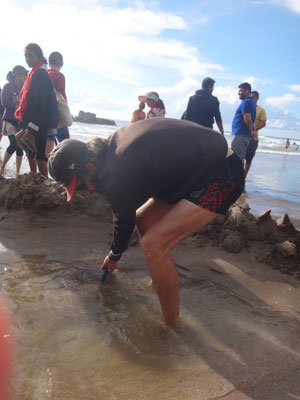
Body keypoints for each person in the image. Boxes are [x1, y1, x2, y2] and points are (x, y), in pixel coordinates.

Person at [48, 118, 245, 325]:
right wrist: (115, 253)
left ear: (89, 167)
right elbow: (131, 217)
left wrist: (114, 256)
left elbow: (123, 220)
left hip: (222, 175)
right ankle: (160, 281)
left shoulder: (115, 172)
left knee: (154, 244)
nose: (84, 192)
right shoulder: (109, 149)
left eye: (79, 187)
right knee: (143, 219)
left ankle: (171, 326)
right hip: (196, 170)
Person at [15, 43, 58, 178]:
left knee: (39, 154)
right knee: (30, 151)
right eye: (26, 56)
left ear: (39, 57)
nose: (27, 59)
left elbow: (42, 104)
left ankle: (44, 182)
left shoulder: (40, 74)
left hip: (40, 121)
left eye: (31, 56)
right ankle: (34, 179)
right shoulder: (33, 74)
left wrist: (32, 126)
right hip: (32, 120)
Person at [0, 66, 28, 176]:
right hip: (10, 119)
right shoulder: (7, 86)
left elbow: (26, 104)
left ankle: (17, 172)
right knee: (14, 143)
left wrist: (19, 102)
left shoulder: (24, 87)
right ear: (17, 75)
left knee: (20, 146)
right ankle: (2, 167)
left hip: (20, 120)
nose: (25, 76)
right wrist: (18, 105)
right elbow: (5, 103)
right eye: (24, 74)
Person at [46, 51, 70, 157]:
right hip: (56, 116)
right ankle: (60, 170)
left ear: (49, 61)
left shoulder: (44, 74)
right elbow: (61, 96)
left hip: (44, 115)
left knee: (47, 145)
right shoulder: (59, 76)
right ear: (62, 64)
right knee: (66, 145)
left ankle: (43, 172)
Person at [231, 82, 256, 162]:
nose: (238, 93)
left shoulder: (246, 102)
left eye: (240, 91)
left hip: (240, 135)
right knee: (239, 159)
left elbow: (248, 119)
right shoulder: (250, 102)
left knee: (234, 158)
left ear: (247, 91)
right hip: (244, 135)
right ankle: (240, 175)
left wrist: (251, 132)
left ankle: (233, 174)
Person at [244, 91, 267, 177]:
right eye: (250, 97)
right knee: (239, 157)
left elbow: (263, 123)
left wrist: (252, 130)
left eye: (253, 97)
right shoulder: (246, 106)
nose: (251, 99)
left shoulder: (261, 110)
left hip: (253, 139)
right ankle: (238, 176)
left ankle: (244, 177)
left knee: (249, 159)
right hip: (243, 136)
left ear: (257, 98)